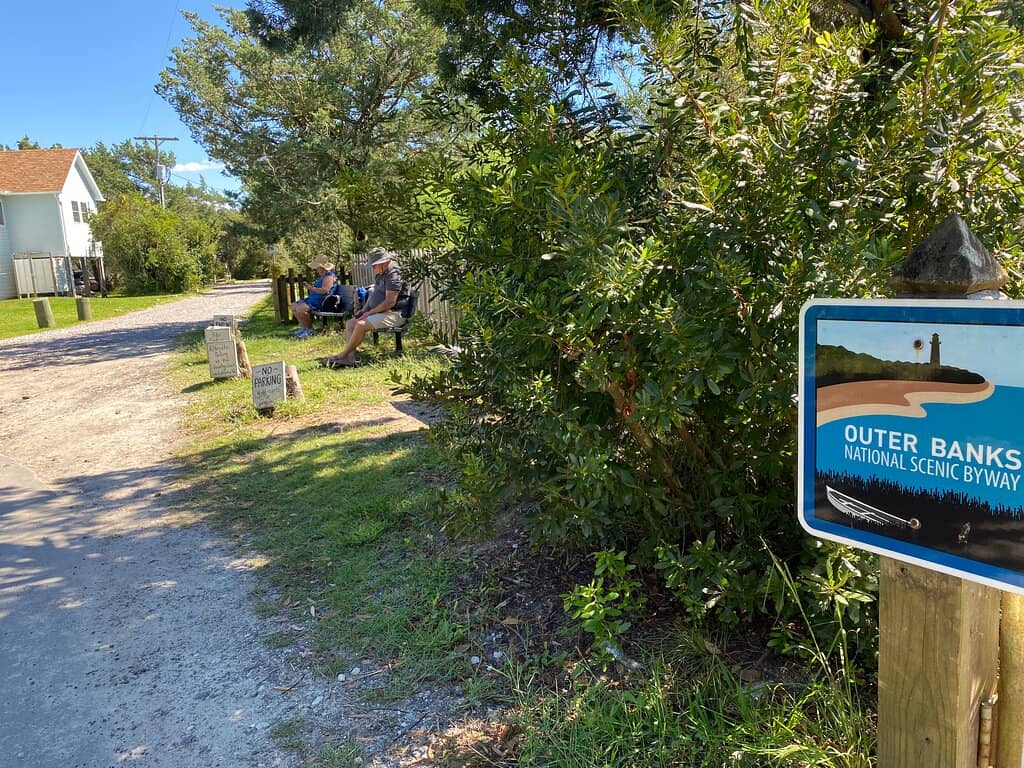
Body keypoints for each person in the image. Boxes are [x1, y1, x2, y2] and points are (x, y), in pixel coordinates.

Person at [321, 248, 404, 367]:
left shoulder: (394, 274)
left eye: (373, 265)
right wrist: (364, 310)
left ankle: (342, 355)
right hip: (381, 312)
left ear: (382, 262)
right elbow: (375, 293)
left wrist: (369, 314)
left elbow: (390, 302)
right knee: (350, 323)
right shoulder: (382, 273)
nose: (372, 268)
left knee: (360, 325)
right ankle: (350, 358)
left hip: (394, 313)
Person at [290, 255, 337, 339]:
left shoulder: (329, 276)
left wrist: (311, 288)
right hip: (313, 300)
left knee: (301, 308)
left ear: (322, 267)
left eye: (317, 267)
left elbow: (324, 290)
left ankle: (309, 330)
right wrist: (310, 287)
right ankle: (304, 328)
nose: (316, 269)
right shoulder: (322, 276)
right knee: (294, 306)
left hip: (322, 302)